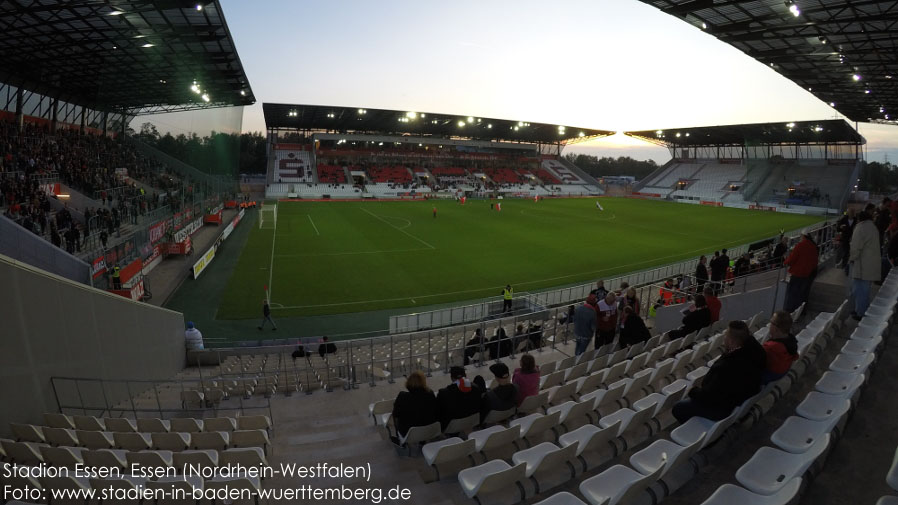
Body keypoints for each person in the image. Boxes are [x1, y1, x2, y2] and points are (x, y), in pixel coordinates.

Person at [672, 320, 766, 423]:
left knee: (678, 408)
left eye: (726, 335)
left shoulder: (728, 367)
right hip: (741, 397)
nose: (724, 338)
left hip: (722, 407)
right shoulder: (756, 351)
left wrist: (692, 391)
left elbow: (709, 397)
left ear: (731, 341)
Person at [849, 210, 881, 320]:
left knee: (860, 290)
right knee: (864, 290)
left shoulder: (861, 228)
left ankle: (860, 313)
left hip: (862, 265)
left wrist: (851, 258)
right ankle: (860, 310)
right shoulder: (872, 227)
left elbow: (856, 247)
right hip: (869, 264)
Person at [391, 371, 437, 442]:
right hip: (429, 430)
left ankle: (399, 437)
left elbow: (396, 414)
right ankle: (422, 440)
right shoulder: (430, 394)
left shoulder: (402, 396)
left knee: (395, 414)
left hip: (409, 432)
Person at [436, 366, 483, 431]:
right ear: (465, 375)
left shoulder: (443, 393)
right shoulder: (475, 387)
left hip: (451, 425)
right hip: (472, 420)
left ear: (452, 378)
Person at [783, 233, 819, 312]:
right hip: (809, 274)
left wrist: (785, 262)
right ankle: (801, 311)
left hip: (798, 274)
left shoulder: (800, 245)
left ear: (803, 236)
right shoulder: (813, 246)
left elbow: (791, 259)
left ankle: (790, 312)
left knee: (793, 293)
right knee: (803, 294)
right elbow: (815, 261)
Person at [762, 311, 799, 383]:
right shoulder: (792, 341)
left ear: (775, 328)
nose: (769, 324)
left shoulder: (770, 348)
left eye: (771, 322)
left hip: (766, 377)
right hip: (782, 372)